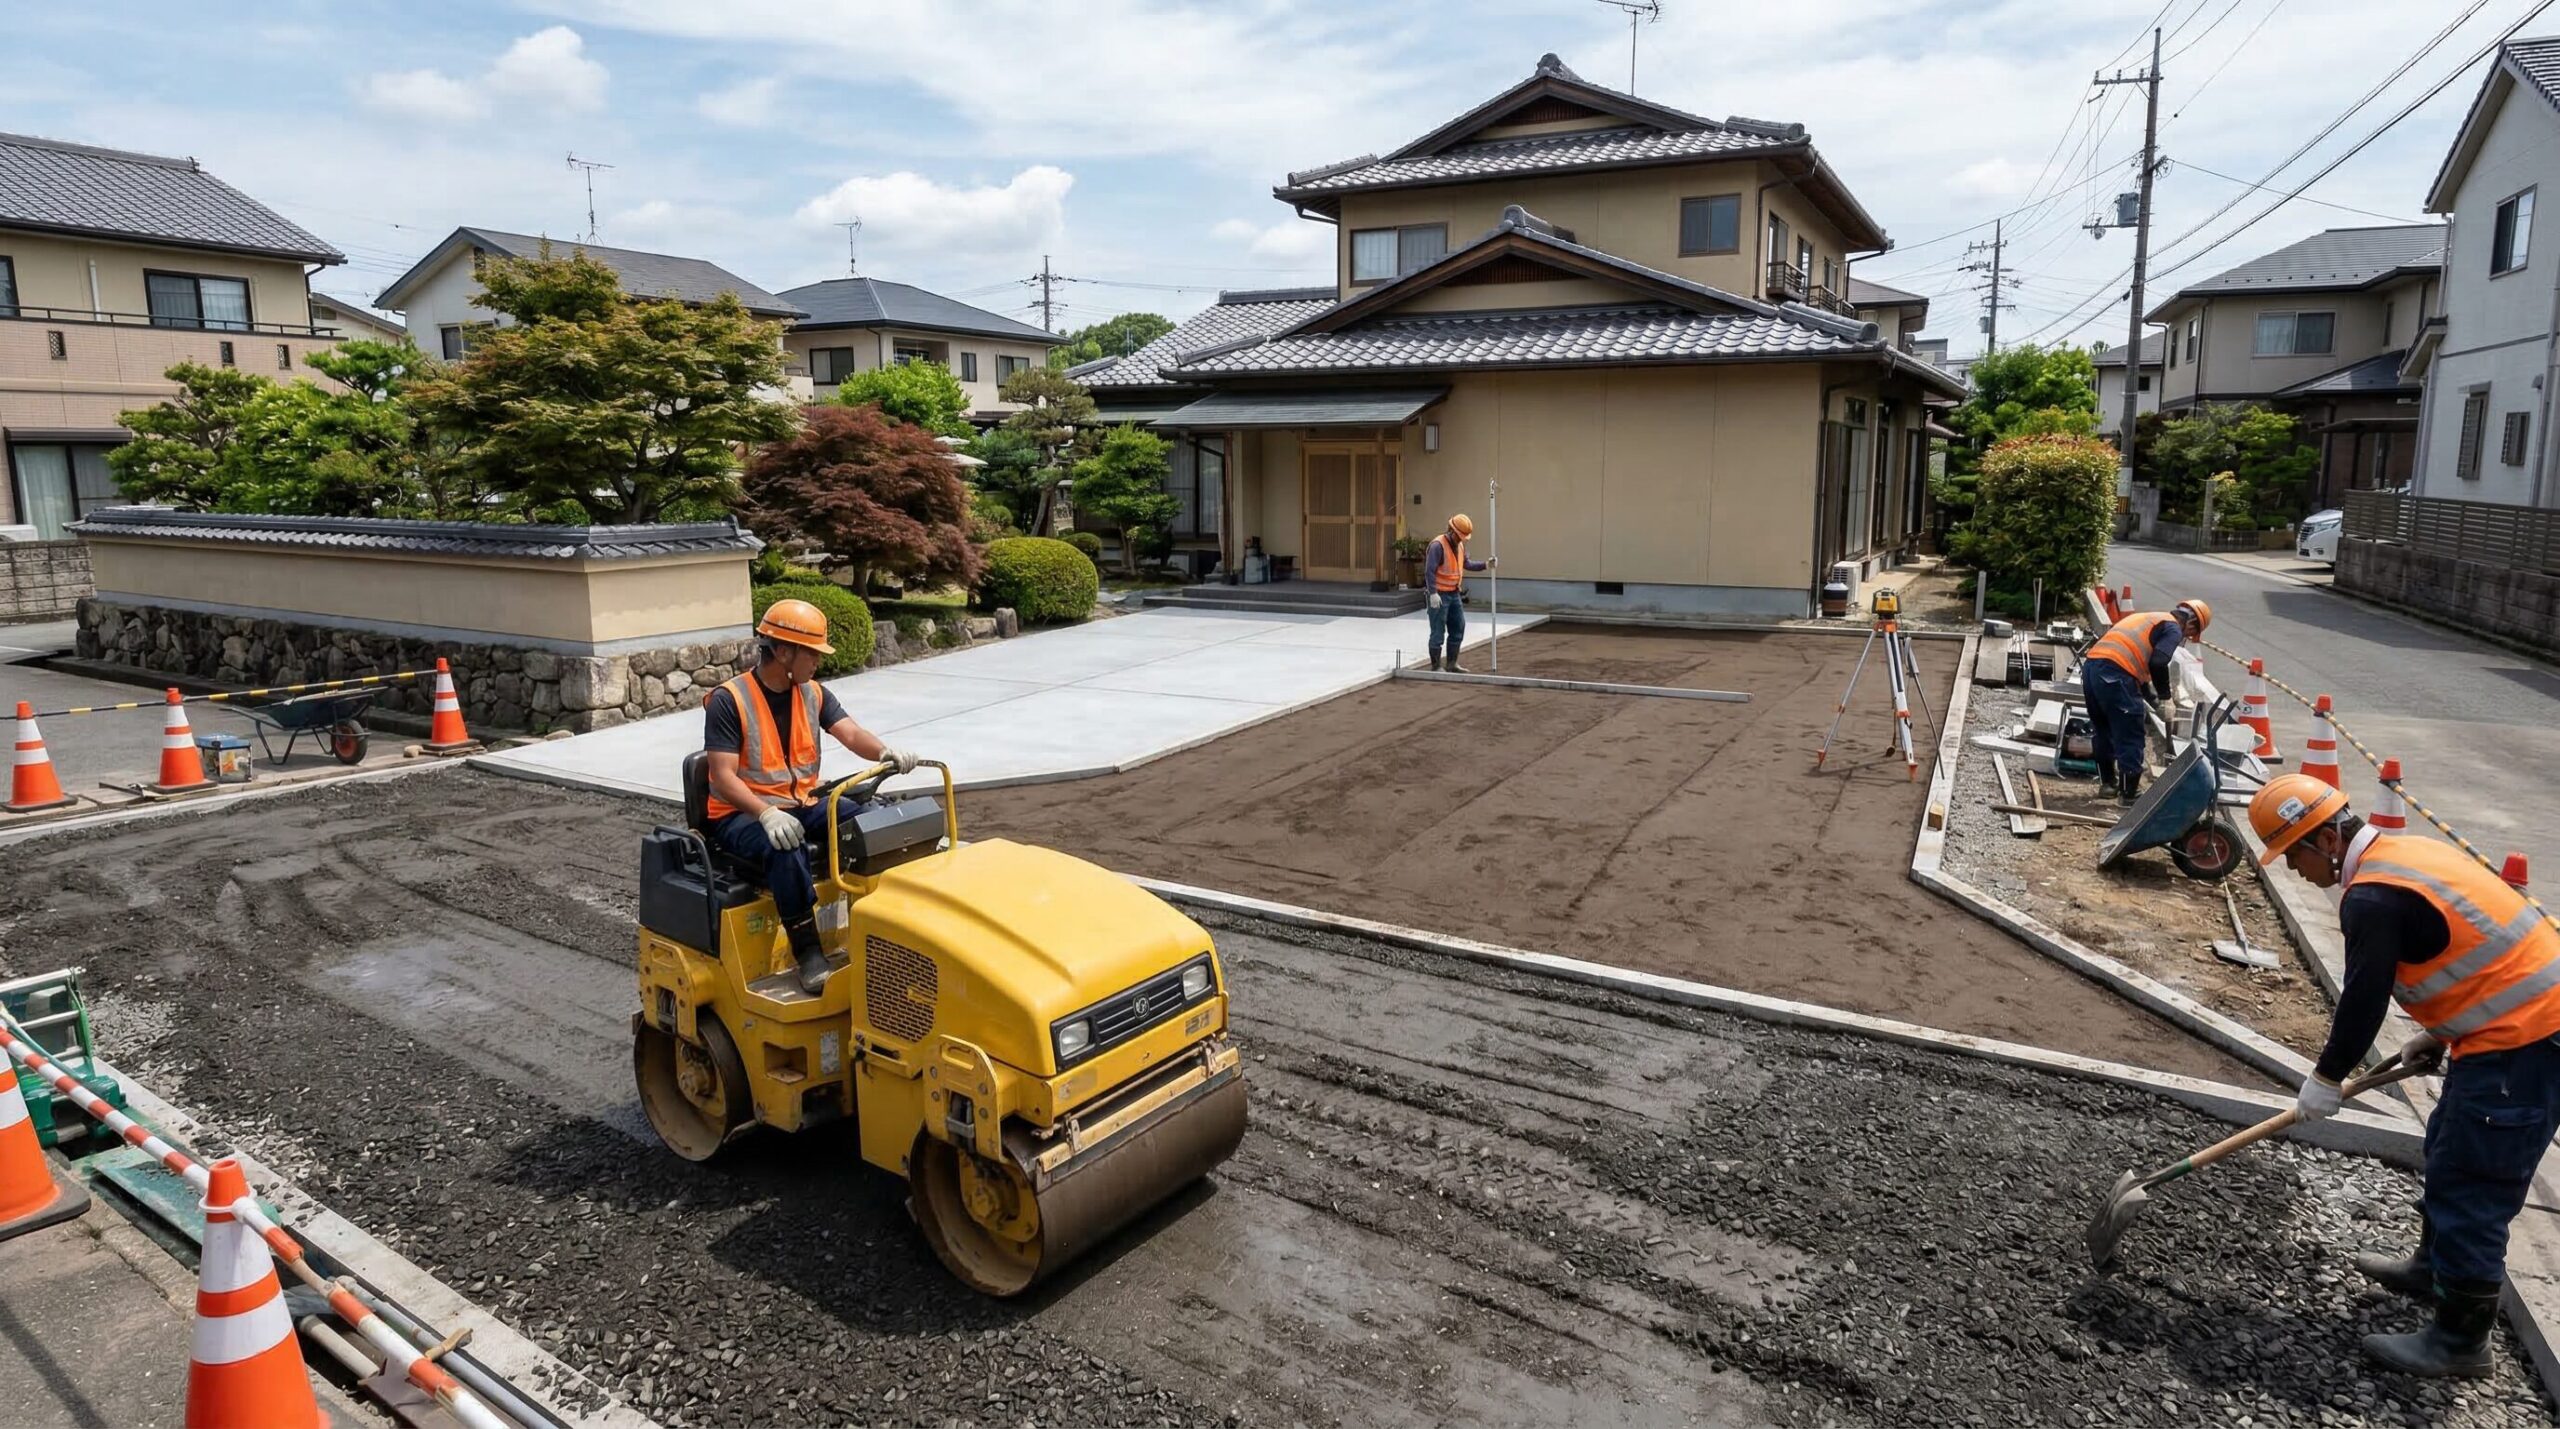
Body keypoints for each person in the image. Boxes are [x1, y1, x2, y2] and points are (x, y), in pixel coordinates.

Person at [2255, 772, 2560, 1378]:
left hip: (2527, 1045)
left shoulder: (2370, 897)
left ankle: (2460, 1345)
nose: (2291, 869)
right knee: (2448, 1145)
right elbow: (2476, 951)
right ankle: (2433, 1269)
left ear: (2325, 842)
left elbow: (2363, 999)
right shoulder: (2405, 852)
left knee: (2473, 1186)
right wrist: (2441, 1032)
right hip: (2508, 1030)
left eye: (2291, 854)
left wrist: (2326, 1077)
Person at [702, 597, 919, 994]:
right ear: (783, 652)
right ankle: (808, 952)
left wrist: (885, 752)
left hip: (802, 802)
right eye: (812, 653)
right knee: (785, 846)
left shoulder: (813, 693)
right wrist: (766, 814)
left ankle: (884, 924)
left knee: (867, 819)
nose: (818, 661)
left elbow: (850, 733)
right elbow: (722, 777)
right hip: (739, 815)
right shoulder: (728, 700)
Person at [2079, 599, 2210, 803]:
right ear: (2192, 623)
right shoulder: (2173, 628)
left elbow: (2136, 666)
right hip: (2115, 674)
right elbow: (2158, 663)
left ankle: (2108, 785)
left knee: (2103, 728)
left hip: (2092, 669)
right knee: (2130, 730)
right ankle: (2129, 794)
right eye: (2190, 634)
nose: (2185, 637)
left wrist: (2155, 702)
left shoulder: (2149, 618)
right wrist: (2166, 698)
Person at [1423, 512, 1495, 672]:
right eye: (1459, 536)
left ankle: (1452, 663)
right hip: (1439, 595)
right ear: (1451, 530)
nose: (1461, 539)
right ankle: (1435, 667)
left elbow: (1466, 564)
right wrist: (1432, 593)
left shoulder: (1460, 545)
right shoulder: (1437, 545)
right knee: (1438, 631)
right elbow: (1429, 571)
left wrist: (1485, 565)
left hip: (1454, 594)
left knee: (1458, 627)